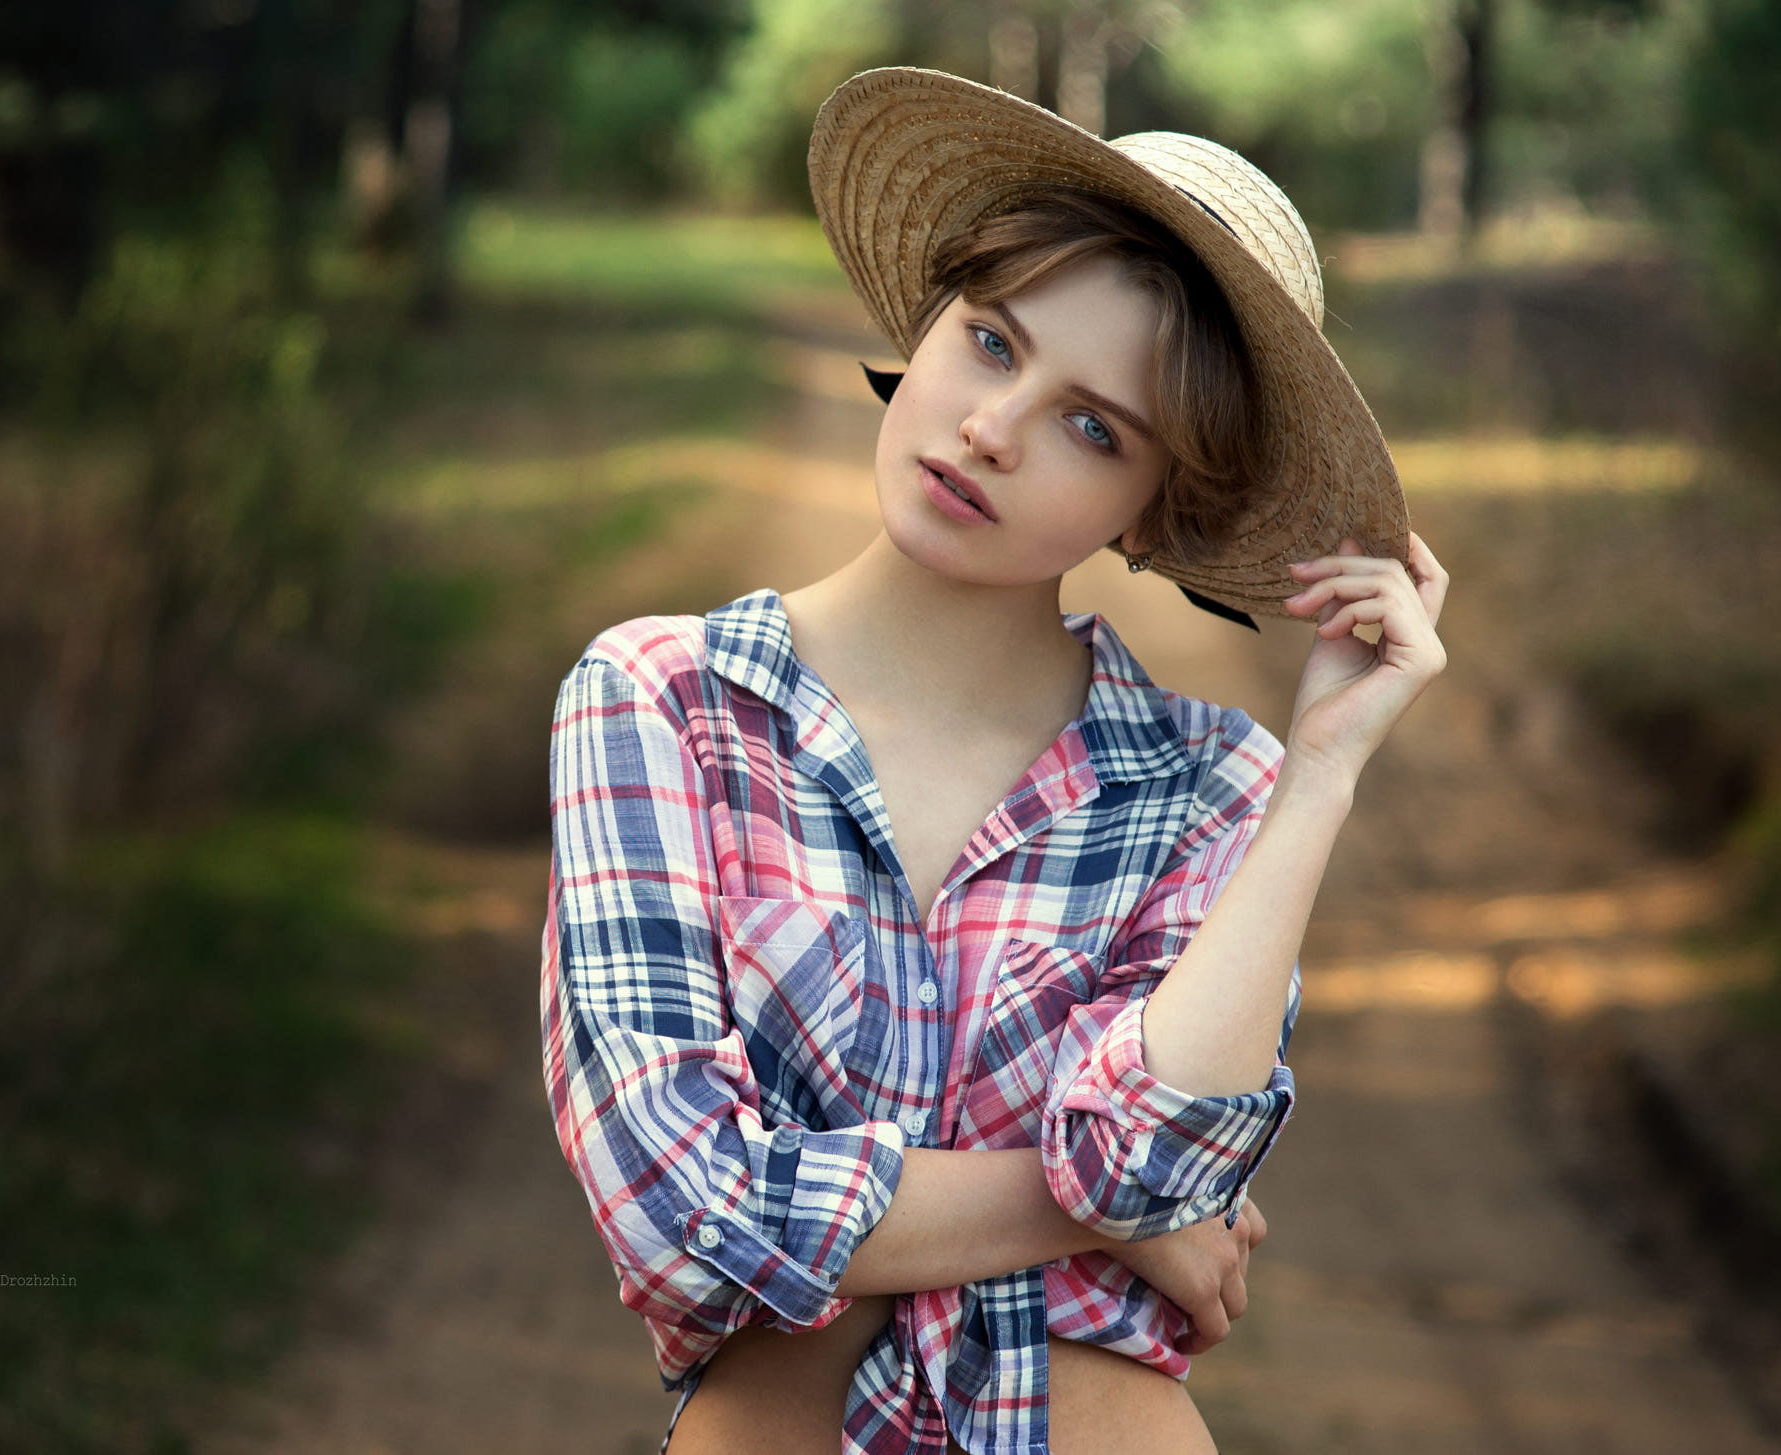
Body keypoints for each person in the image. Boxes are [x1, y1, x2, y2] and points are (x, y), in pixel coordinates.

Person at [540, 68, 1448, 1455]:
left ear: (1160, 508)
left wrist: (1324, 769)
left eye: (1096, 428)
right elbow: (688, 1219)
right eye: (990, 342)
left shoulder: (1213, 789)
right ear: (928, 320)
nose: (992, 429)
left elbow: (1149, 1156)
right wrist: (1111, 1224)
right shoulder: (664, 705)